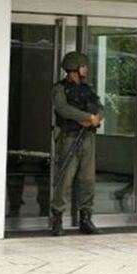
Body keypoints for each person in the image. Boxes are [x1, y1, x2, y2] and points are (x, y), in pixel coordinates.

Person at [50, 51, 103, 236]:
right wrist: (87, 117)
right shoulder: (60, 88)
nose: (86, 69)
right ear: (75, 68)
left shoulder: (87, 88)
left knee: (87, 180)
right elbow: (63, 109)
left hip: (87, 138)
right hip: (69, 137)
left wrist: (95, 118)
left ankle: (86, 219)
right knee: (64, 180)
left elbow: (100, 107)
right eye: (83, 66)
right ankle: (57, 218)